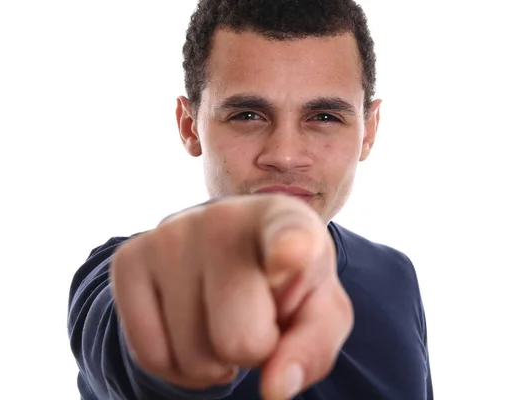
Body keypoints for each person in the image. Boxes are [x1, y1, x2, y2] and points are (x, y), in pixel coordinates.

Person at [67, 0, 433, 399]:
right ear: (190, 126)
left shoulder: (396, 275)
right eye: (247, 115)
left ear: (368, 131)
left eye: (325, 117)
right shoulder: (124, 274)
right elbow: (130, 351)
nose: (285, 154)